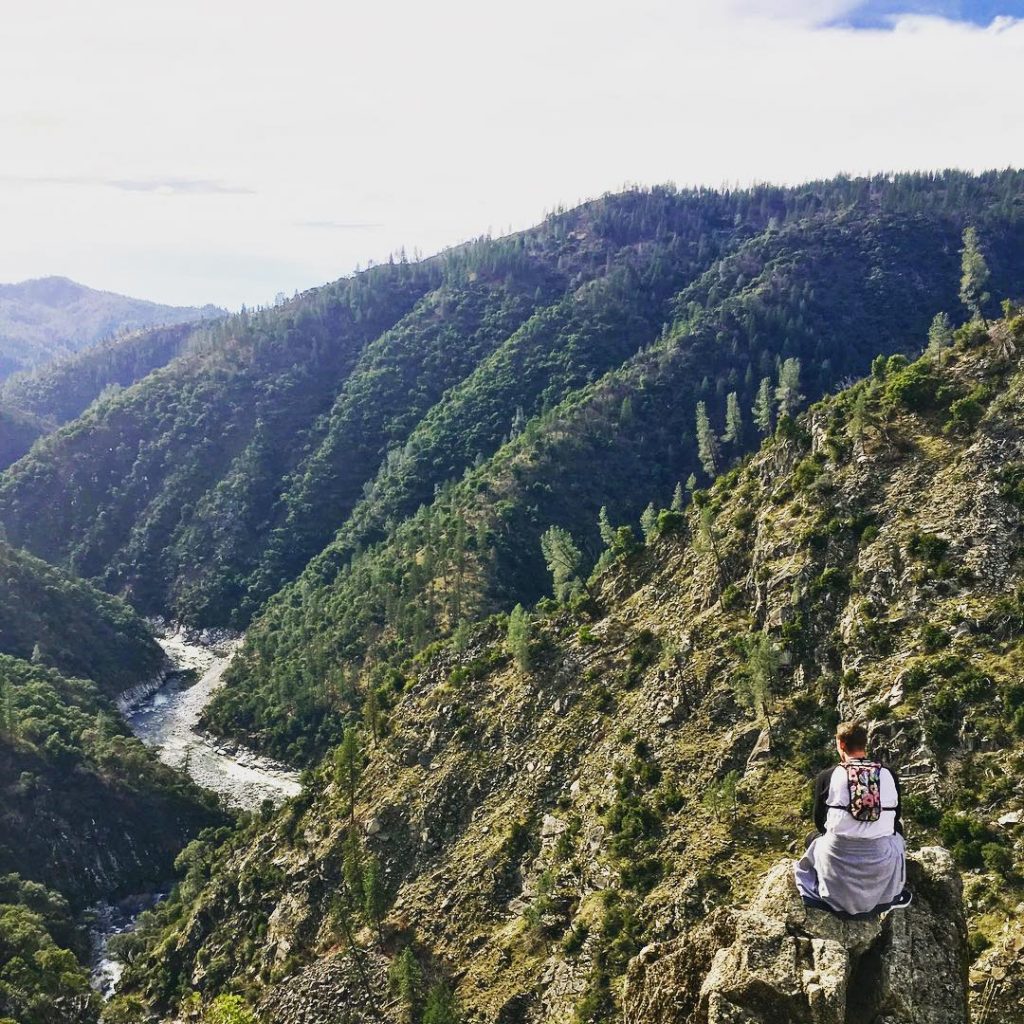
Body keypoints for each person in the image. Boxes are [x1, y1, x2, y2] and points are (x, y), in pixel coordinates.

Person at [794, 720, 911, 917]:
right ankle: (890, 892)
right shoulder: (888, 774)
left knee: (813, 838)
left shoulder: (828, 776)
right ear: (865, 744)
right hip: (879, 856)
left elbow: (819, 823)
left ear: (841, 744)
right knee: (897, 830)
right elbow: (895, 818)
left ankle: (827, 886)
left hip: (838, 860)